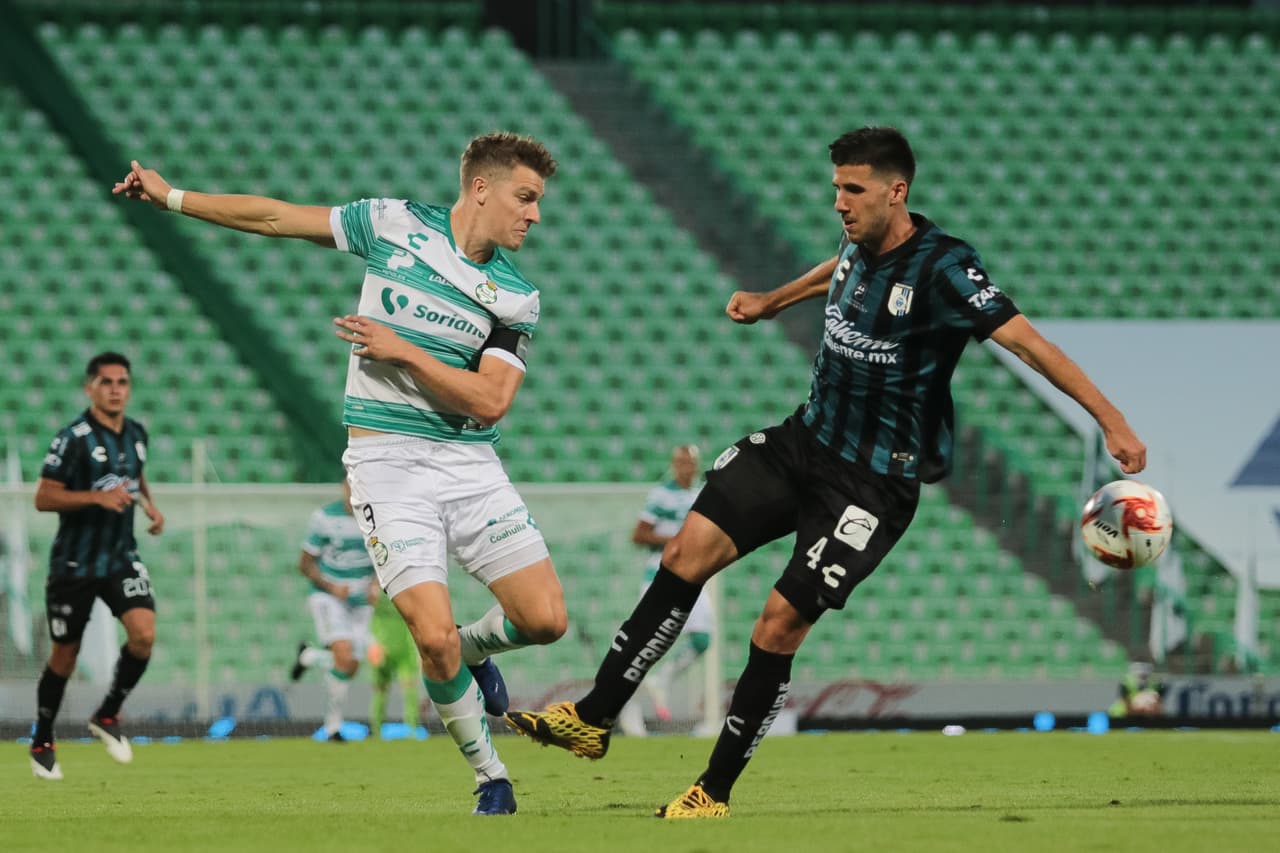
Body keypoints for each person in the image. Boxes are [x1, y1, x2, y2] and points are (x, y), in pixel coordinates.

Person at [506, 127, 1148, 818]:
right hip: (802, 442)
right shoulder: (857, 240)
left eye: (854, 189)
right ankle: (595, 717)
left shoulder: (945, 268)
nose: (839, 202)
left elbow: (1030, 344)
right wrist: (770, 300)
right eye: (836, 187)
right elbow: (834, 268)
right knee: (684, 551)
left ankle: (712, 791)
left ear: (896, 192)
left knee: (776, 623)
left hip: (871, 483)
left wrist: (1110, 419)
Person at [115, 132, 568, 815]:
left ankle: (478, 649)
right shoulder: (393, 224)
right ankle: (490, 774)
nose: (535, 215)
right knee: (431, 636)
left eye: (538, 202)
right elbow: (276, 217)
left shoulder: (514, 296)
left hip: (467, 462)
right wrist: (172, 195)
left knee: (546, 620)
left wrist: (403, 351)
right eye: (525, 197)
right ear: (481, 188)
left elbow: (490, 400)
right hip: (385, 464)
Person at [28, 352, 166, 780]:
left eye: (122, 382)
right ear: (90, 387)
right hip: (74, 564)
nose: (115, 389)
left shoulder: (137, 433)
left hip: (121, 557)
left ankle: (107, 715)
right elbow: (43, 497)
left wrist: (150, 505)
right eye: (106, 382)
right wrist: (95, 497)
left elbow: (135, 474)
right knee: (64, 657)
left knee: (143, 635)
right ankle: (43, 740)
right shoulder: (73, 438)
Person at [617, 444, 712, 737]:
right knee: (643, 644)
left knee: (704, 637)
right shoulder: (661, 494)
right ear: (673, 464)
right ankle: (625, 709)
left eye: (689, 462)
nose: (685, 467)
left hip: (693, 575)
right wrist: (677, 538)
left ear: (696, 465)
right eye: (680, 462)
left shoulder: (701, 494)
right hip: (659, 575)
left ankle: (663, 680)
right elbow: (639, 533)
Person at [288, 480, 380, 741]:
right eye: (349, 484)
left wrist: (375, 585)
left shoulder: (378, 518)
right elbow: (304, 564)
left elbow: (384, 558)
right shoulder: (324, 518)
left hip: (361, 602)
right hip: (329, 598)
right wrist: (332, 587)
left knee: (351, 664)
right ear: (343, 486)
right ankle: (332, 727)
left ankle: (309, 656)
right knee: (344, 655)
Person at [367, 587, 423, 738]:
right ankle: (376, 730)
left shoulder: (407, 589)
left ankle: (412, 730)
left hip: (405, 649)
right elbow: (364, 611)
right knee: (380, 690)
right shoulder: (375, 587)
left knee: (410, 690)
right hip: (381, 647)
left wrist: (418, 649)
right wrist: (372, 641)